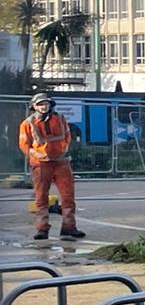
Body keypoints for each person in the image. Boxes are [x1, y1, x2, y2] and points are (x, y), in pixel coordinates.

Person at [18, 92, 84, 240]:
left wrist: (63, 150)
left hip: (61, 162)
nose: (43, 106)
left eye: (46, 104)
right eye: (40, 104)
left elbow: (67, 136)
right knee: (41, 198)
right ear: (34, 107)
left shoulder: (60, 119)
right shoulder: (28, 123)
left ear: (50, 105)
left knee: (68, 196)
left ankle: (69, 227)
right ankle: (42, 229)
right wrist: (38, 155)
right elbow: (24, 145)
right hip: (41, 164)